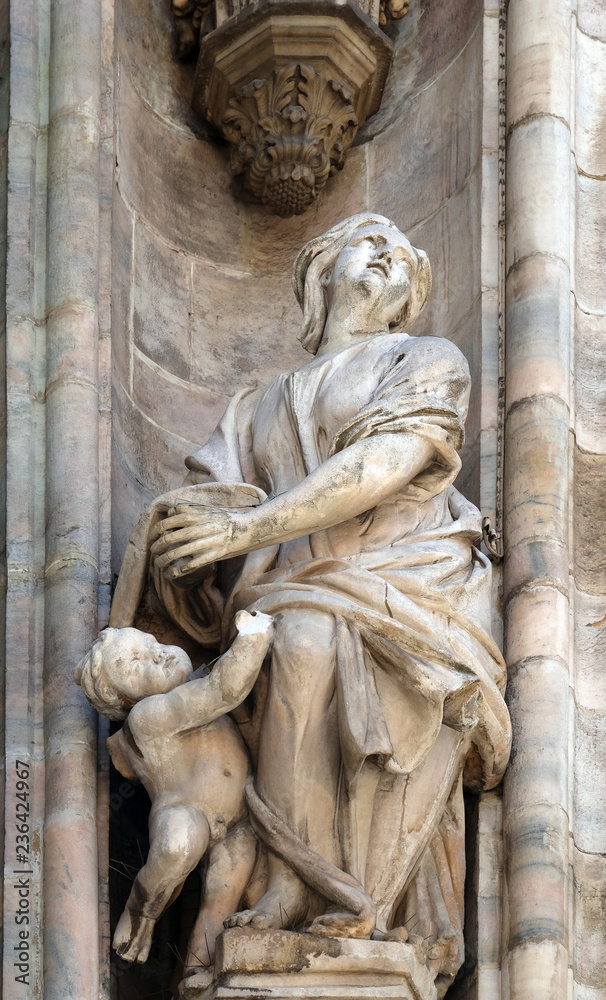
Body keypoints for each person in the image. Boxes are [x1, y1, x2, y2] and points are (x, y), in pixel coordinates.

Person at [113, 213, 511, 995]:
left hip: (404, 584)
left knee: (301, 630)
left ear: (407, 301)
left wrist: (248, 528)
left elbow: (388, 460)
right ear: (320, 270)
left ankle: (344, 894)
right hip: (289, 594)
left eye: (403, 258)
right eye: (369, 242)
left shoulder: (425, 358)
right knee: (289, 633)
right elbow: (210, 516)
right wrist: (182, 546)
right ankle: (290, 885)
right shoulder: (253, 408)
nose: (387, 258)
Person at [75, 611, 273, 970]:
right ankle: (141, 910)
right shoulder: (148, 716)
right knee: (177, 845)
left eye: (151, 644)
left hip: (239, 818)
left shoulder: (187, 687)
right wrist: (256, 634)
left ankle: (199, 973)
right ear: (125, 700)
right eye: (137, 665)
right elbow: (224, 690)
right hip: (185, 809)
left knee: (222, 899)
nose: (157, 655)